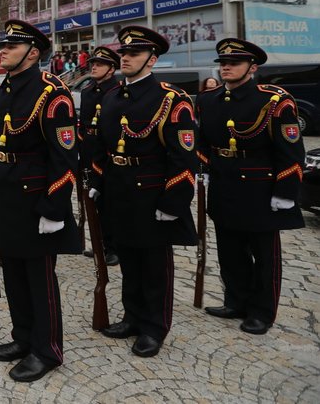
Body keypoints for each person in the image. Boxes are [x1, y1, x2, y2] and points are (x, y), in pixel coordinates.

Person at [90, 25, 197, 358]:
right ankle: (132, 317)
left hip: (152, 193)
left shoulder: (170, 99)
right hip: (120, 191)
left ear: (152, 60)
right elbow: (102, 147)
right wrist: (97, 183)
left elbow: (183, 157)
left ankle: (154, 327)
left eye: (133, 54)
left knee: (154, 266)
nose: (126, 58)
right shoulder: (111, 97)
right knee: (129, 260)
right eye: (123, 53)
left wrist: (174, 201)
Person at [0, 21, 80, 382]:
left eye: (11, 45)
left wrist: (54, 208)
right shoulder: (6, 90)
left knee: (40, 279)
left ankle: (47, 349)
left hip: (36, 200)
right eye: (4, 44)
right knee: (14, 275)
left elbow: (66, 157)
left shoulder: (52, 93)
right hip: (7, 195)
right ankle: (23, 337)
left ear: (34, 52)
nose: (3, 50)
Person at [196, 39, 305, 335]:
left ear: (252, 68)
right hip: (224, 184)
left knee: (264, 256)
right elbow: (203, 142)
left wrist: (285, 192)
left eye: (234, 62)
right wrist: (204, 168)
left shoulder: (274, 100)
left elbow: (292, 151)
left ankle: (262, 312)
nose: (226, 67)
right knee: (230, 251)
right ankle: (236, 301)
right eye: (223, 63)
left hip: (260, 187)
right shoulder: (208, 99)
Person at [78, 47, 121, 266]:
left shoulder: (117, 91)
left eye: (100, 64)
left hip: (108, 156)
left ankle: (113, 248)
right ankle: (98, 243)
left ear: (112, 69)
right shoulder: (87, 90)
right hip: (88, 152)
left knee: (109, 204)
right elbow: (84, 125)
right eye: (92, 63)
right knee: (91, 202)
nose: (93, 66)